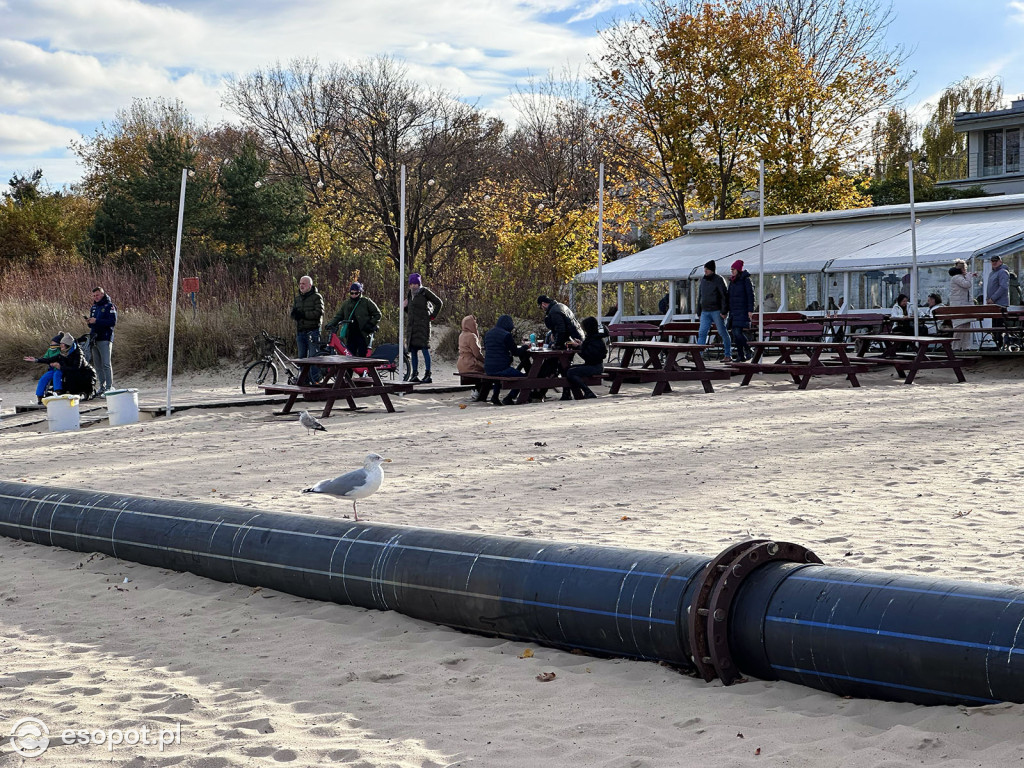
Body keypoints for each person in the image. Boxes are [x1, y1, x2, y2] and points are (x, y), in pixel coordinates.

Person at [326, 282, 381, 359]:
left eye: (356, 293)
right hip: (350, 334)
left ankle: (364, 371)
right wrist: (331, 324)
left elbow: (377, 314)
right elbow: (339, 316)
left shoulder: (366, 302)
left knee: (363, 356)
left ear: (360, 292)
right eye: (352, 293)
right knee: (349, 356)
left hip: (363, 333)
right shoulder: (346, 304)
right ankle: (349, 371)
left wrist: (370, 324)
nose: (354, 295)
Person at [404, 273, 443, 383]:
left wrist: (432, 316)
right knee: (413, 351)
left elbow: (439, 303)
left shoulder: (425, 292)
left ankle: (428, 374)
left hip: (423, 326)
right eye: (411, 284)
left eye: (416, 284)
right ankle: (414, 374)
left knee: (425, 349)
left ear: (419, 283)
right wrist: (404, 308)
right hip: (412, 327)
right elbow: (411, 311)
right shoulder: (409, 294)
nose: (413, 286)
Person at [483, 315, 526, 405]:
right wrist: (525, 347)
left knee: (497, 376)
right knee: (524, 378)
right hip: (501, 367)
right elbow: (515, 352)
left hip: (488, 368)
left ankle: (495, 396)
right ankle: (510, 397)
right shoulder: (506, 335)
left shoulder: (488, 334)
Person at [562, 316, 606, 400]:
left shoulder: (595, 339)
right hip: (594, 365)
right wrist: (581, 345)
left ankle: (587, 391)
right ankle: (569, 394)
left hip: (595, 366)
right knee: (567, 369)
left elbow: (590, 355)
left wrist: (579, 347)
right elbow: (589, 351)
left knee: (571, 372)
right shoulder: (594, 337)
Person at [696, 260, 732, 362]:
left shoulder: (719, 280)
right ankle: (699, 355)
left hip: (716, 310)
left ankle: (727, 354)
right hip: (705, 311)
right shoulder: (703, 280)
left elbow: (724, 296)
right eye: (705, 269)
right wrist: (699, 310)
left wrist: (724, 311)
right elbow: (700, 296)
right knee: (702, 332)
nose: (705, 271)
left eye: (707, 269)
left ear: (712, 270)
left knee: (722, 332)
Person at [291, 275, 324, 381]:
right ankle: (304, 380)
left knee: (313, 357)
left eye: (303, 284)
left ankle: (316, 380)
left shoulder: (317, 297)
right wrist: (294, 314)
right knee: (302, 357)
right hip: (301, 332)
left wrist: (303, 314)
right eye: (300, 283)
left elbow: (319, 313)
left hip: (313, 331)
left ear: (310, 285)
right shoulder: (297, 299)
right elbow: (295, 314)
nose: (301, 286)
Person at [87, 286, 116, 395]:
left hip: (105, 338)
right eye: (94, 296)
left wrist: (97, 321)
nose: (96, 297)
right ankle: (102, 387)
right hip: (94, 338)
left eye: (97, 295)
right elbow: (92, 324)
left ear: (102, 294)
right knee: (98, 365)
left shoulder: (110, 306)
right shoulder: (93, 307)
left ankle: (109, 387)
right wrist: (90, 322)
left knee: (106, 364)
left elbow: (112, 322)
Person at [49, 332, 98, 397]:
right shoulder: (64, 353)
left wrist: (61, 367)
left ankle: (84, 392)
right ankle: (60, 391)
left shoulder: (78, 353)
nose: (60, 346)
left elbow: (76, 367)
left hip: (86, 374)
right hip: (74, 373)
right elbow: (52, 358)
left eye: (62, 344)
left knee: (70, 374)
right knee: (65, 374)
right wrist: (36, 360)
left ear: (67, 344)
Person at [23, 334, 64, 404]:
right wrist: (35, 360)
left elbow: (61, 359)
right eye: (51, 343)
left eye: (54, 343)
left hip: (59, 369)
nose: (52, 345)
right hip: (51, 369)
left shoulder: (61, 350)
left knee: (56, 375)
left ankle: (58, 392)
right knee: (43, 378)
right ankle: (40, 396)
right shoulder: (49, 350)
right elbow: (45, 359)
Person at [727, 260, 754, 362]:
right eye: (731, 269)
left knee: (737, 332)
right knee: (735, 333)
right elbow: (729, 295)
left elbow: (750, 295)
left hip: (742, 310)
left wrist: (750, 310)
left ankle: (747, 349)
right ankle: (741, 354)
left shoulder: (745, 280)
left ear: (738, 269)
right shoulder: (732, 281)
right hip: (734, 311)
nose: (732, 271)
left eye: (733, 269)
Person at [457, 315, 488, 402]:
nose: (476, 325)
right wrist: (485, 361)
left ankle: (476, 390)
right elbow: (477, 354)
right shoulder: (471, 336)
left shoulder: (461, 335)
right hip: (470, 363)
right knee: (488, 370)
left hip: (461, 363)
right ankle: (479, 392)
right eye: (475, 323)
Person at [949, 259, 975, 351]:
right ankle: (956, 347)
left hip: (963, 305)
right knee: (959, 326)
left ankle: (965, 346)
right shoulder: (957, 277)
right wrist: (968, 277)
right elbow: (966, 284)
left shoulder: (959, 277)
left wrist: (967, 276)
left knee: (966, 326)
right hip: (959, 306)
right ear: (962, 269)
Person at [987, 255, 1010, 348]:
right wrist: (988, 299)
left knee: (999, 326)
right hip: (993, 304)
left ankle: (1000, 344)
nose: (994, 262)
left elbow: (1003, 287)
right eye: (992, 261)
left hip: (1000, 304)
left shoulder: (1003, 272)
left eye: (996, 261)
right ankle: (997, 343)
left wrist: (993, 298)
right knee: (995, 326)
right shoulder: (991, 274)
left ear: (1000, 261)